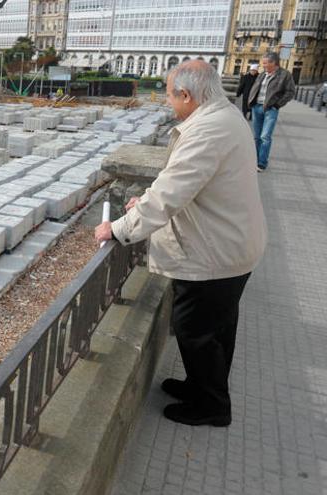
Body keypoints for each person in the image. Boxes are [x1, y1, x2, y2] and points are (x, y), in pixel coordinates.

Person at [94, 60, 266, 427]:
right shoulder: (225, 117)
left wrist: (120, 229)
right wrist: (145, 202)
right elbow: (188, 185)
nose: (169, 103)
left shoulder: (207, 131)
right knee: (218, 328)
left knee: (194, 330)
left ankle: (212, 406)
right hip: (231, 243)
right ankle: (202, 387)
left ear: (186, 95)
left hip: (215, 252)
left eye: (171, 96)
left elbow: (170, 193)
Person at [248, 52, 295, 172]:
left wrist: (277, 105)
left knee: (265, 136)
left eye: (265, 63)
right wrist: (251, 102)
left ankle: (262, 163)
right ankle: (254, 160)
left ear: (273, 63)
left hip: (270, 109)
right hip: (256, 107)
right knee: (257, 137)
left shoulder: (285, 75)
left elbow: (290, 92)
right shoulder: (262, 74)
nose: (263, 65)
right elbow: (255, 88)